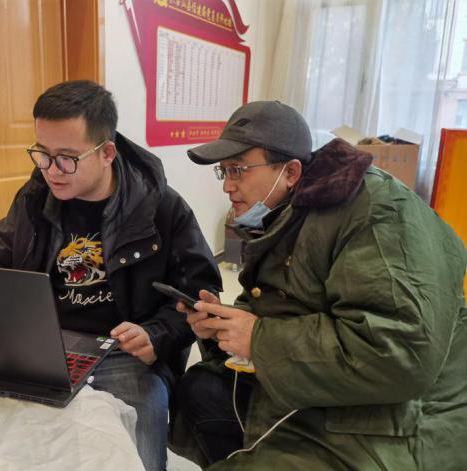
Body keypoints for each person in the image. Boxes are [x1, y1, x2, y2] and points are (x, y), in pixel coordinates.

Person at [169, 101, 467, 470]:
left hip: (405, 413)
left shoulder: (378, 215)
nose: (228, 186)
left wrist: (258, 338)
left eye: (238, 170)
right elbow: (285, 299)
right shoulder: (290, 211)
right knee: (199, 391)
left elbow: (399, 351)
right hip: (339, 385)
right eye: (224, 171)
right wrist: (228, 323)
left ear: (291, 171)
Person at [0, 80, 221, 470]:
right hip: (45, 345)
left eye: (67, 158)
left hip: (123, 353)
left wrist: (156, 334)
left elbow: (199, 294)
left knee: (136, 447)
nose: (51, 170)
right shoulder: (34, 199)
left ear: (106, 153)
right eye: (42, 153)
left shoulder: (161, 208)